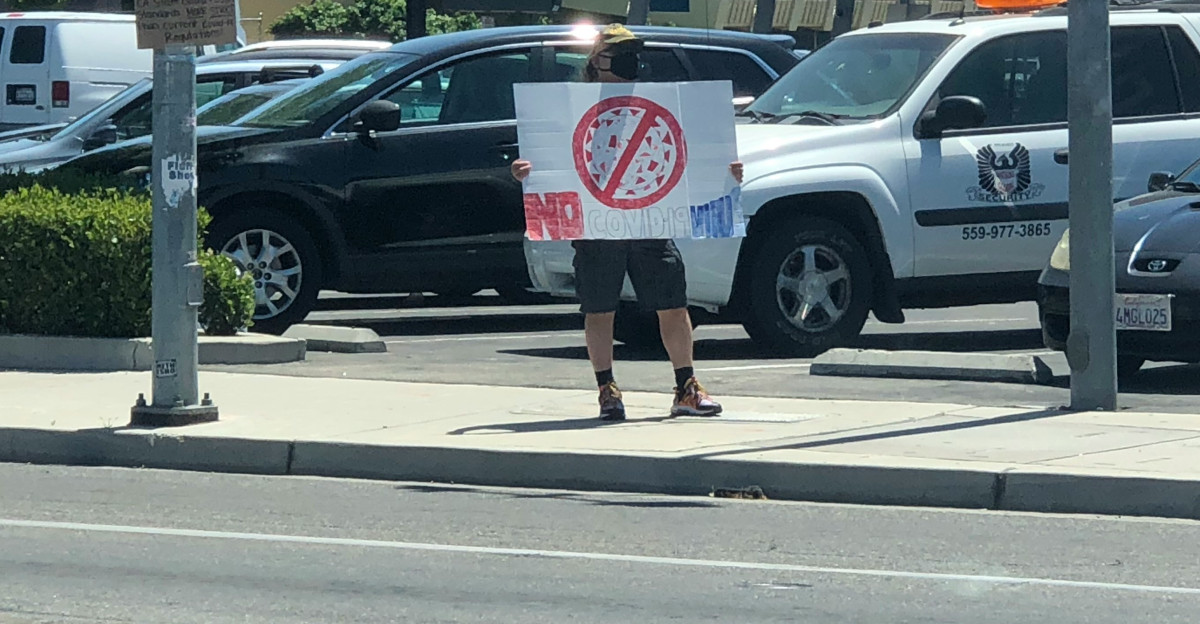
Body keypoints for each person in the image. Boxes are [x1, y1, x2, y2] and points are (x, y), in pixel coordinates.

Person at [511, 24, 744, 421]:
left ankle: (686, 386)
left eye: (633, 52)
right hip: (597, 225)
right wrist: (526, 172)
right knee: (600, 309)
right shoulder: (568, 105)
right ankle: (607, 390)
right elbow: (551, 157)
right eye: (620, 52)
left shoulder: (664, 102)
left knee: (672, 304)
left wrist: (724, 174)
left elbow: (692, 155)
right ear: (597, 60)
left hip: (650, 221)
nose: (631, 60)